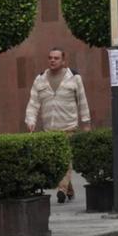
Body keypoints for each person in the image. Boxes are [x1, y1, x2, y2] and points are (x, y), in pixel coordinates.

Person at [25, 47, 91, 204]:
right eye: (50, 58)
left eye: (56, 58)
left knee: (66, 160)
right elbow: (33, 103)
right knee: (57, 162)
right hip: (49, 130)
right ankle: (69, 189)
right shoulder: (40, 79)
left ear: (63, 60)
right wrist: (30, 121)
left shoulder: (74, 78)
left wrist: (86, 123)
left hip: (69, 126)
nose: (52, 60)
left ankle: (61, 189)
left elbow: (82, 100)